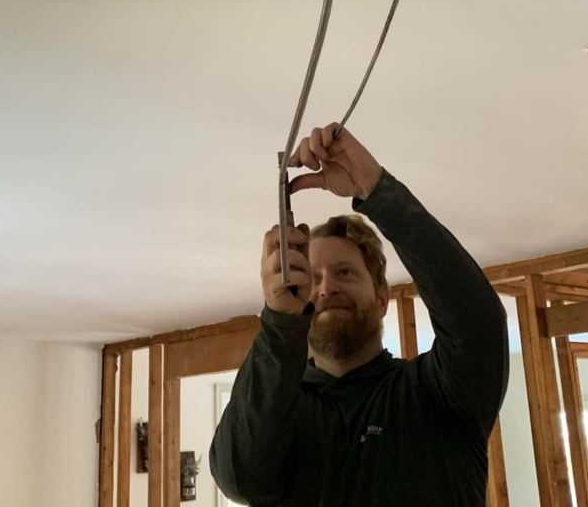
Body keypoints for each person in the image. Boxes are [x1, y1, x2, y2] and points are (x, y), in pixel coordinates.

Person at [209, 123, 509, 506]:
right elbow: (240, 478)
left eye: (345, 273)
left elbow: (478, 325)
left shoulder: (436, 394)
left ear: (383, 298)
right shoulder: (278, 412)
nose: (326, 288)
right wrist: (280, 321)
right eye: (311, 277)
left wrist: (376, 189)